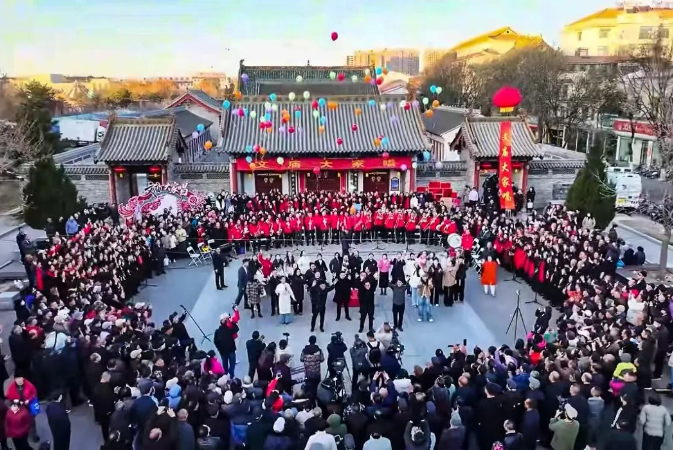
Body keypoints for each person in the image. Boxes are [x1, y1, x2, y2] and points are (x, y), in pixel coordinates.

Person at [213, 307, 240, 377]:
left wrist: (219, 349)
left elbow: (215, 342)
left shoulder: (217, 331)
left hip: (223, 351)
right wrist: (231, 322)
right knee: (232, 363)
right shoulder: (229, 329)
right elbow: (237, 329)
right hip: (230, 350)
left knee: (225, 363)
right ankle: (231, 374)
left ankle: (226, 373)